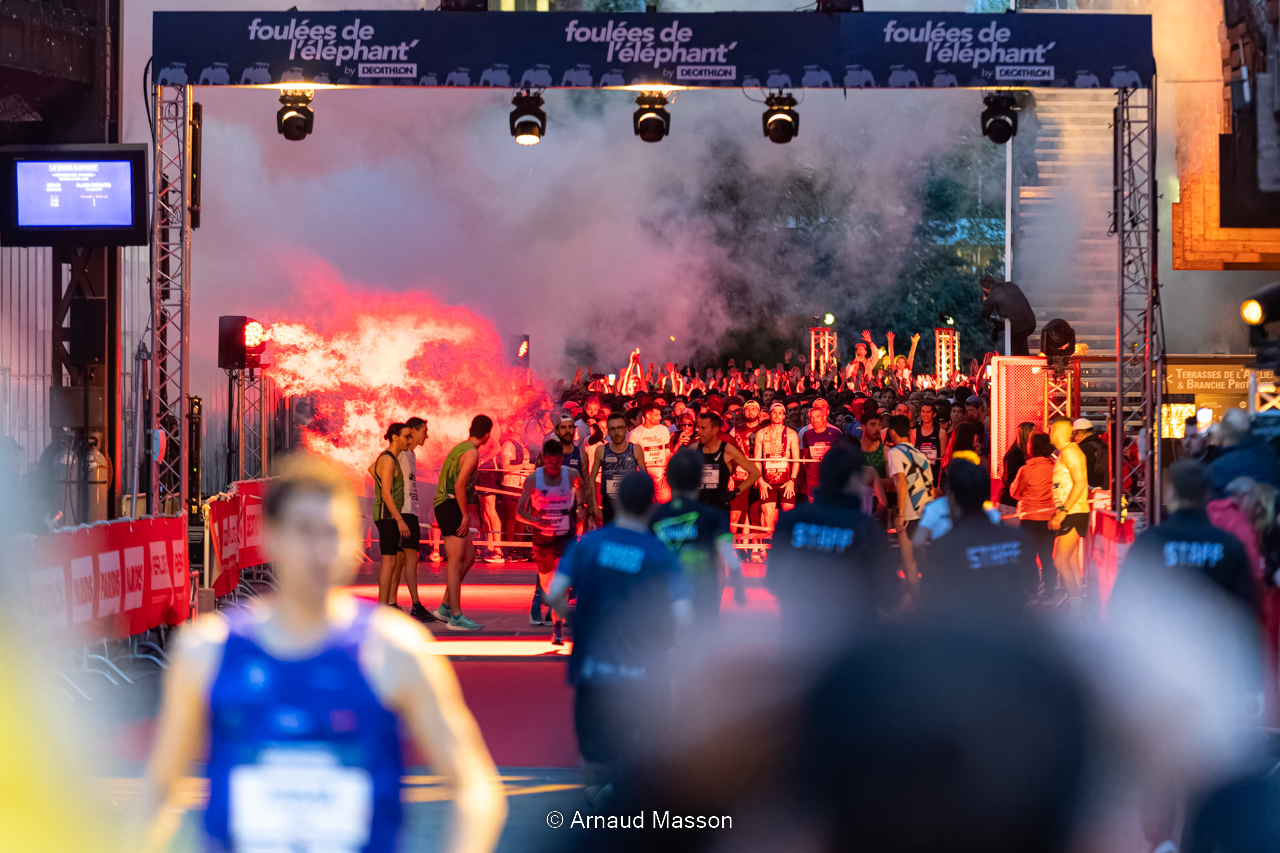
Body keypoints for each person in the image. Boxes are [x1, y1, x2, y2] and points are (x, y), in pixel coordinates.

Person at [141, 454, 507, 853]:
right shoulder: (208, 651)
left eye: (332, 533)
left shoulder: (395, 649)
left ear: (353, 541)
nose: (318, 550)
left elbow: (474, 788)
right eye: (303, 531)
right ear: (269, 537)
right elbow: (158, 792)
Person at [545, 472, 691, 802]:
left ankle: (599, 801)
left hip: (594, 671)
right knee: (642, 758)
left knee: (595, 760)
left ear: (616, 501)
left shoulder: (586, 545)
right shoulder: (662, 555)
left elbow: (554, 595)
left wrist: (575, 618)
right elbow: (684, 617)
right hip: (645, 676)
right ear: (652, 506)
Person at [767, 443, 896, 645]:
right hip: (849, 642)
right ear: (853, 479)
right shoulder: (865, 528)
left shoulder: (790, 520)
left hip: (798, 638)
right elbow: (890, 595)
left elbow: (773, 579)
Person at [1117, 460, 1259, 621]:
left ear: (1171, 492)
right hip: (1213, 632)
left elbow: (1122, 598)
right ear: (1207, 494)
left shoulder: (1150, 540)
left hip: (1163, 631)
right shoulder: (1229, 545)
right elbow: (1248, 610)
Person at [923, 458, 1036, 614]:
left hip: (967, 625)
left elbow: (929, 602)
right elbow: (1028, 584)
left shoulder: (944, 548)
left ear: (952, 500)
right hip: (1012, 623)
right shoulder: (1017, 538)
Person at [649, 448, 746, 625]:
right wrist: (739, 590)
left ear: (668, 478)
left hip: (663, 598)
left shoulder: (654, 516)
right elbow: (731, 559)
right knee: (704, 636)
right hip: (704, 595)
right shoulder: (714, 516)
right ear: (700, 480)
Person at [517, 440, 587, 644]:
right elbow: (519, 513)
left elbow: (581, 502)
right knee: (549, 587)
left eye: (557, 464)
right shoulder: (533, 479)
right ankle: (554, 612)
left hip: (565, 537)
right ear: (543, 460)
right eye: (550, 464)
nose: (554, 468)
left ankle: (557, 628)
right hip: (543, 541)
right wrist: (534, 521)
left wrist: (580, 512)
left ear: (561, 460)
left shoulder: (572, 476)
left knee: (562, 583)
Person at [433, 415, 492, 631]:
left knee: (469, 558)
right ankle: (456, 617)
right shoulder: (472, 452)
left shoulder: (460, 447)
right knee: (455, 562)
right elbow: (459, 485)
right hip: (450, 505)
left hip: (447, 504)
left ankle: (446, 606)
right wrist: (465, 514)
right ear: (487, 434)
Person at [886, 414, 934, 590]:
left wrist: (900, 514)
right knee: (923, 560)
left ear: (892, 432)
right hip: (926, 511)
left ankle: (917, 599)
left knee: (908, 563)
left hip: (910, 512)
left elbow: (901, 482)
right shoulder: (919, 454)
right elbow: (930, 485)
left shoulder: (895, 453)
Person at [1010, 433, 1059, 599]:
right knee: (1047, 556)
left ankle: (1031, 589)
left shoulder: (1026, 469)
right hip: (1049, 517)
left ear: (1031, 447)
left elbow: (1014, 492)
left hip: (1028, 518)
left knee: (1028, 556)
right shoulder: (1054, 468)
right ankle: (1050, 591)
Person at [1049, 417, 1090, 601]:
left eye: (1051, 430)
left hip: (1073, 511)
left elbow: (1081, 482)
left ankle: (1075, 602)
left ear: (1058, 431)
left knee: (1060, 561)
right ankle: (1076, 601)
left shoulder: (1070, 452)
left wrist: (1063, 511)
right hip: (1073, 510)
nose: (1049, 434)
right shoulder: (1067, 452)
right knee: (1071, 561)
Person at [372, 423, 412, 608]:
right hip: (387, 516)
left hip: (389, 514)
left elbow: (372, 469)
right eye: (406, 436)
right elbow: (386, 494)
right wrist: (399, 519)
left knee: (392, 560)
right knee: (388, 561)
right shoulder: (388, 459)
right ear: (395, 437)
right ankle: (382, 606)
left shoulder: (389, 459)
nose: (409, 441)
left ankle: (385, 603)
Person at [398, 417, 433, 620]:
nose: (426, 436)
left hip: (410, 510)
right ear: (413, 431)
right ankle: (415, 604)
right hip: (403, 512)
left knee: (402, 559)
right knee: (409, 558)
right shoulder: (401, 452)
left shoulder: (410, 453)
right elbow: (377, 470)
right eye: (424, 431)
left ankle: (392, 603)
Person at [693, 411, 760, 514]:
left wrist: (729, 476)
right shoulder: (697, 438)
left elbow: (737, 458)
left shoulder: (726, 438)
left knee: (727, 513)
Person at [755, 400, 801, 547]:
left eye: (780, 413)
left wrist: (792, 481)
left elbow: (796, 460)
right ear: (770, 415)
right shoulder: (761, 434)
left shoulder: (791, 434)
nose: (776, 415)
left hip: (786, 481)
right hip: (767, 482)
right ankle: (770, 550)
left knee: (788, 517)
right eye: (774, 413)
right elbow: (757, 460)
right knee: (768, 518)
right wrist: (761, 481)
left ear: (784, 416)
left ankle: (787, 549)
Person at [588, 412, 648, 526]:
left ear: (625, 429)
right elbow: (592, 477)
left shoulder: (635, 449)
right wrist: (594, 504)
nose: (616, 432)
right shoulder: (602, 450)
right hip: (609, 502)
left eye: (620, 428)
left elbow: (644, 478)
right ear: (609, 431)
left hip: (629, 500)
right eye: (612, 429)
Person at [797, 398, 845, 503]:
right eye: (812, 417)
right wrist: (803, 478)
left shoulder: (835, 432)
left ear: (824, 416)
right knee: (813, 506)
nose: (814, 420)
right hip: (812, 476)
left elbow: (840, 456)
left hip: (830, 475)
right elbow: (804, 457)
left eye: (817, 417)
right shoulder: (806, 433)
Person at [979, 274, 1037, 356]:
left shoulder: (993, 296)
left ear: (985, 289)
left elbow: (983, 313)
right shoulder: (1010, 285)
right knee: (1018, 341)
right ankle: (1024, 359)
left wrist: (985, 299)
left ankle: (1021, 362)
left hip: (1020, 328)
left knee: (1016, 346)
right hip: (1031, 323)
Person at [629, 401, 674, 502]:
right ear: (648, 416)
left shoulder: (663, 430)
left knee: (665, 503)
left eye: (660, 414)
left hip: (661, 477)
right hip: (643, 478)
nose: (660, 417)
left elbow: (668, 452)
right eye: (656, 415)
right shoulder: (634, 434)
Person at [911, 400, 947, 493]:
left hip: (935, 478)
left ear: (934, 414)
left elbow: (943, 460)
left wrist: (940, 483)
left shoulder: (941, 432)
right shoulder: (914, 432)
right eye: (923, 411)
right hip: (920, 478)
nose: (925, 415)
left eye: (928, 412)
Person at [1001, 422, 1035, 508]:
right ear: (1026, 433)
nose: (1037, 434)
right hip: (1011, 502)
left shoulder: (1019, 453)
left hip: (1014, 500)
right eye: (1034, 431)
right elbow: (1013, 478)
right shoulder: (1016, 455)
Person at [1072, 418, 1110, 492]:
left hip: (1090, 489)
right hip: (1104, 488)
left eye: (1074, 433)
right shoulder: (1102, 445)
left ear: (1080, 432)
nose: (1074, 437)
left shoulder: (1083, 449)